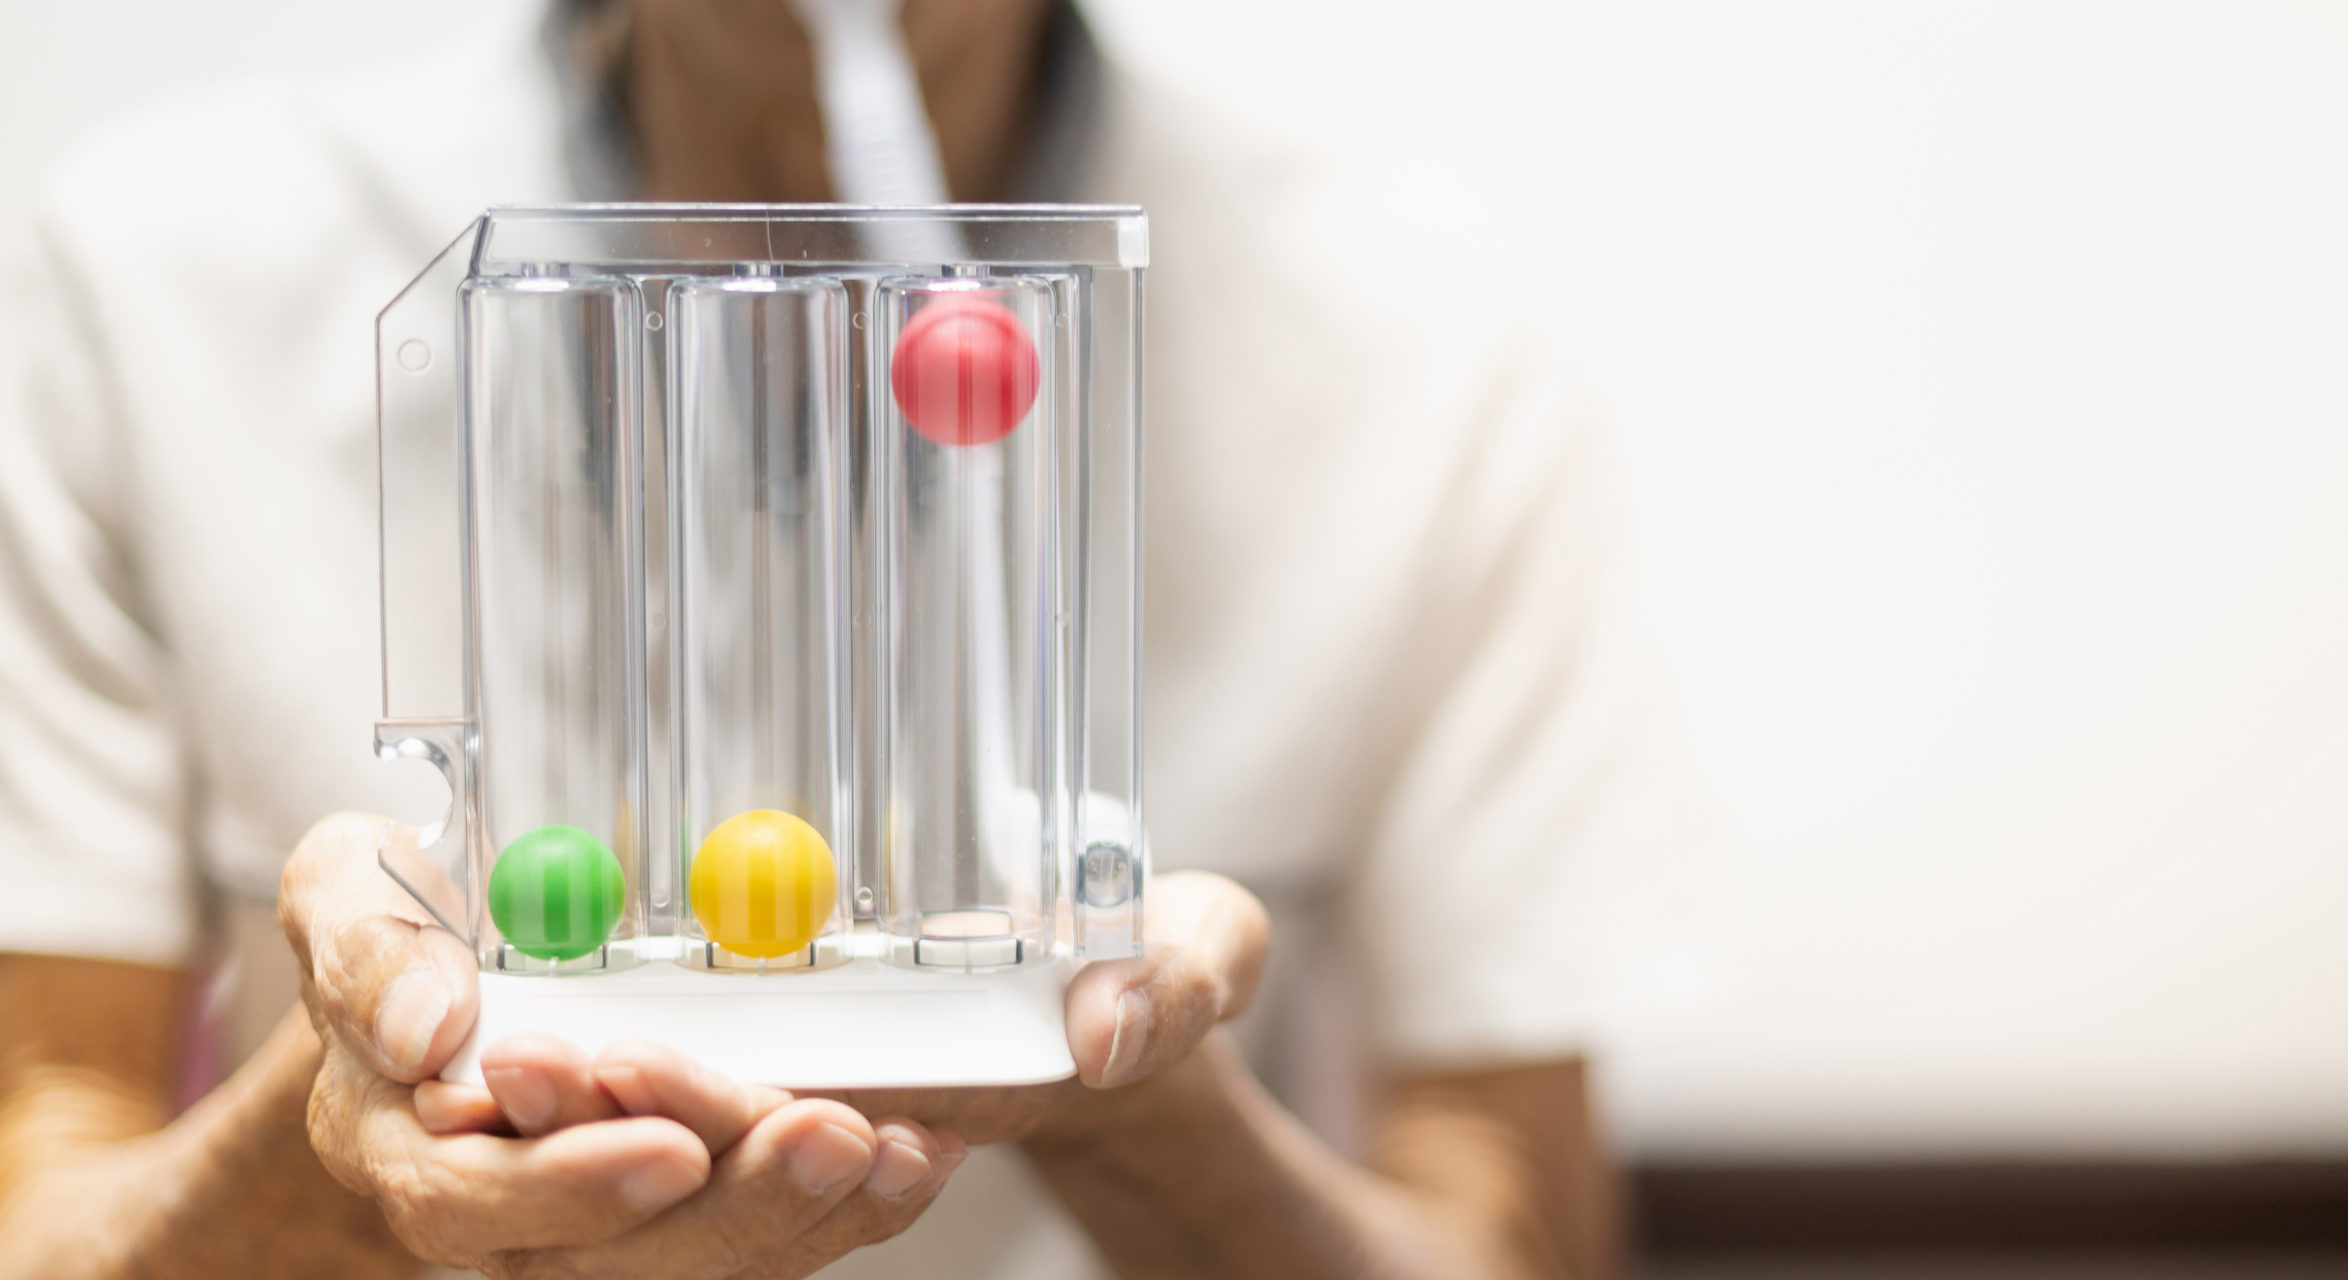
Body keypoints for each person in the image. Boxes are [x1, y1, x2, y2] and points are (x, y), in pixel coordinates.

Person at [0, 0, 1655, 1275]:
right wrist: (359, 1126)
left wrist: (1151, 1116)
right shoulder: (150, 282)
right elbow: (42, 1193)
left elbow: (1510, 1226)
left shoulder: (1427, 335)